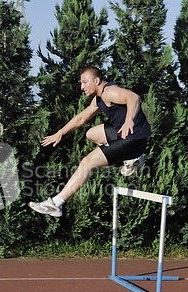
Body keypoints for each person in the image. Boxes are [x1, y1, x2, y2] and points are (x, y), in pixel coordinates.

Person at [29, 66, 150, 217]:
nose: (82, 87)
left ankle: (56, 204)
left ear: (96, 80)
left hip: (133, 137)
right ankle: (132, 159)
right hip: (127, 135)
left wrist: (129, 120)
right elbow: (81, 118)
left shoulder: (109, 92)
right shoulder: (98, 99)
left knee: (87, 163)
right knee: (91, 133)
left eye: (85, 82)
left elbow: (134, 97)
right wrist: (59, 133)